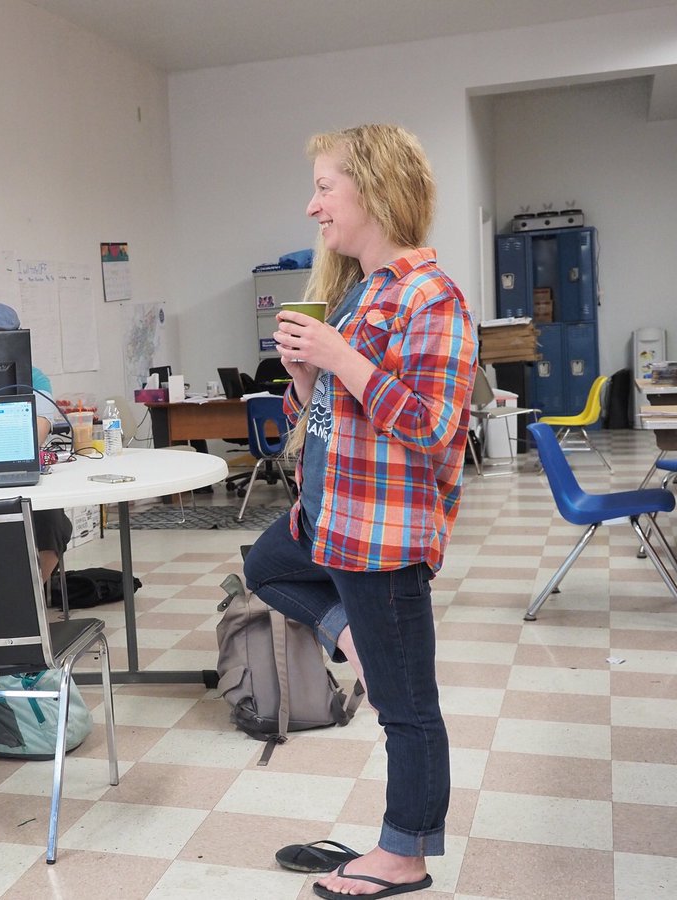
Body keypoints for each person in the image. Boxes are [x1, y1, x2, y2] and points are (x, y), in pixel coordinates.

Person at [242, 124, 476, 899]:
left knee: (407, 709)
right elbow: (328, 420)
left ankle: (404, 854)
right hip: (329, 521)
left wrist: (339, 356)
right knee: (265, 566)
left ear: (372, 190)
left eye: (324, 188)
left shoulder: (430, 297)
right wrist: (305, 376)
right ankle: (357, 644)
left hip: (382, 537)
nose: (313, 207)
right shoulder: (361, 293)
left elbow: (434, 426)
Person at [0, 302, 73, 583]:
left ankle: (28, 596)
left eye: (3, 338)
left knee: (50, 521)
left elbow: (39, 431)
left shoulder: (35, 378)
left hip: (17, 472)